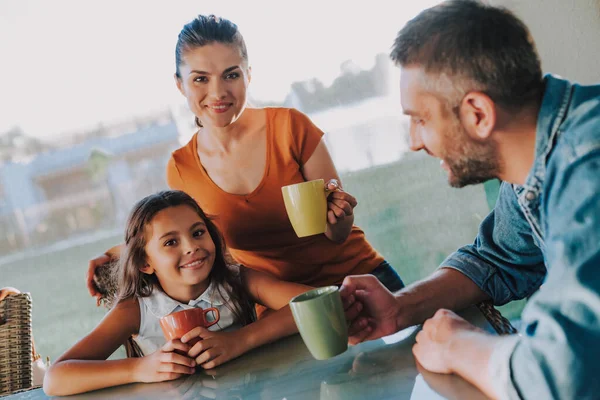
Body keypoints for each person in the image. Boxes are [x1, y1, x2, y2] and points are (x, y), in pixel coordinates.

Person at [340, 1, 600, 399]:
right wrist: (399, 307)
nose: (413, 142)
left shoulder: (588, 164)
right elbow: (498, 260)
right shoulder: (537, 158)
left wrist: (456, 345)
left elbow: (561, 376)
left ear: (478, 113)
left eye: (421, 119)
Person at [86, 15, 404, 313]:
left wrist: (339, 215)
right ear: (180, 84)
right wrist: (117, 255)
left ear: (248, 75)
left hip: (358, 285)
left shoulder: (291, 127)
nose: (218, 92)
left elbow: (337, 233)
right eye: (200, 79)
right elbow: (191, 244)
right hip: (282, 312)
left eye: (231, 75)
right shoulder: (181, 169)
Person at [43, 190, 314, 396]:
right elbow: (55, 378)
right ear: (144, 263)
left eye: (198, 233)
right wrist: (141, 368)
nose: (191, 247)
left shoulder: (237, 280)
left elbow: (319, 303)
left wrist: (240, 341)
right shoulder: (135, 309)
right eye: (171, 242)